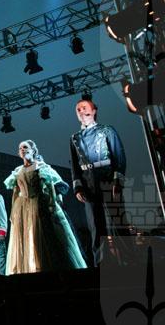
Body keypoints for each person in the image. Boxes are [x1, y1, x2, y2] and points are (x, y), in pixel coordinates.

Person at [5, 140, 87, 274]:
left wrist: (53, 203)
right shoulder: (17, 171)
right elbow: (15, 192)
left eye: (25, 147)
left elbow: (55, 186)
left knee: (40, 235)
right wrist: (13, 212)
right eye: (20, 148)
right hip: (22, 207)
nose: (22, 150)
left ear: (33, 150)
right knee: (25, 237)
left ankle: (43, 267)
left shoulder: (41, 167)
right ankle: (27, 269)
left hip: (39, 203)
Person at [69, 99, 127, 266]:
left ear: (94, 110)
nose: (81, 111)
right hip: (88, 184)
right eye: (78, 109)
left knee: (117, 223)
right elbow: (75, 166)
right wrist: (78, 187)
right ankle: (101, 267)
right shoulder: (74, 138)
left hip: (107, 180)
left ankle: (128, 263)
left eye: (84, 107)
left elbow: (118, 155)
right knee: (95, 227)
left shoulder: (107, 130)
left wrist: (117, 180)